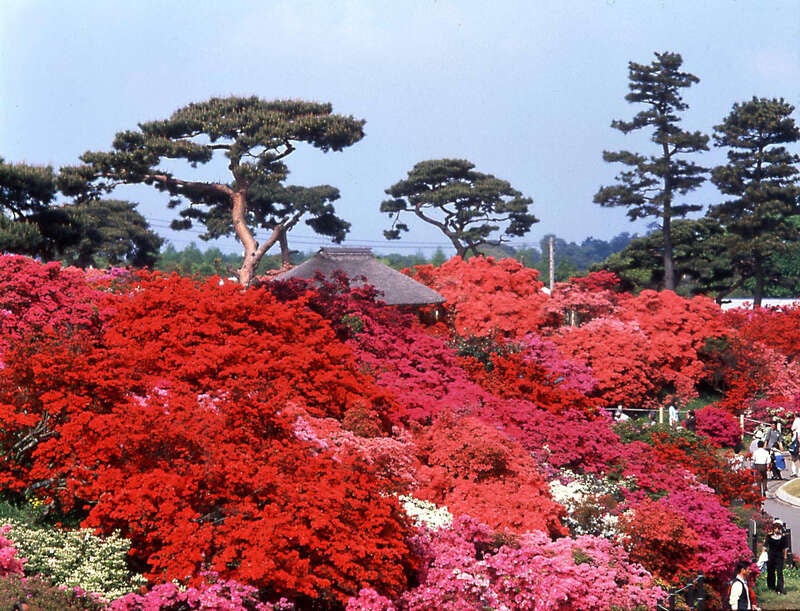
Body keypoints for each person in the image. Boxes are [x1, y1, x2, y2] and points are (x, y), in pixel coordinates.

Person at [763, 520, 789, 594]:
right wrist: (763, 554)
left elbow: (785, 548)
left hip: (779, 556)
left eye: (778, 528)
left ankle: (779, 589)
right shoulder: (769, 536)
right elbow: (765, 546)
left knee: (779, 572)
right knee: (770, 571)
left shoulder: (784, 537)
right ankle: (771, 587)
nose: (776, 529)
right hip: (771, 555)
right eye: (775, 528)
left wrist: (785, 556)